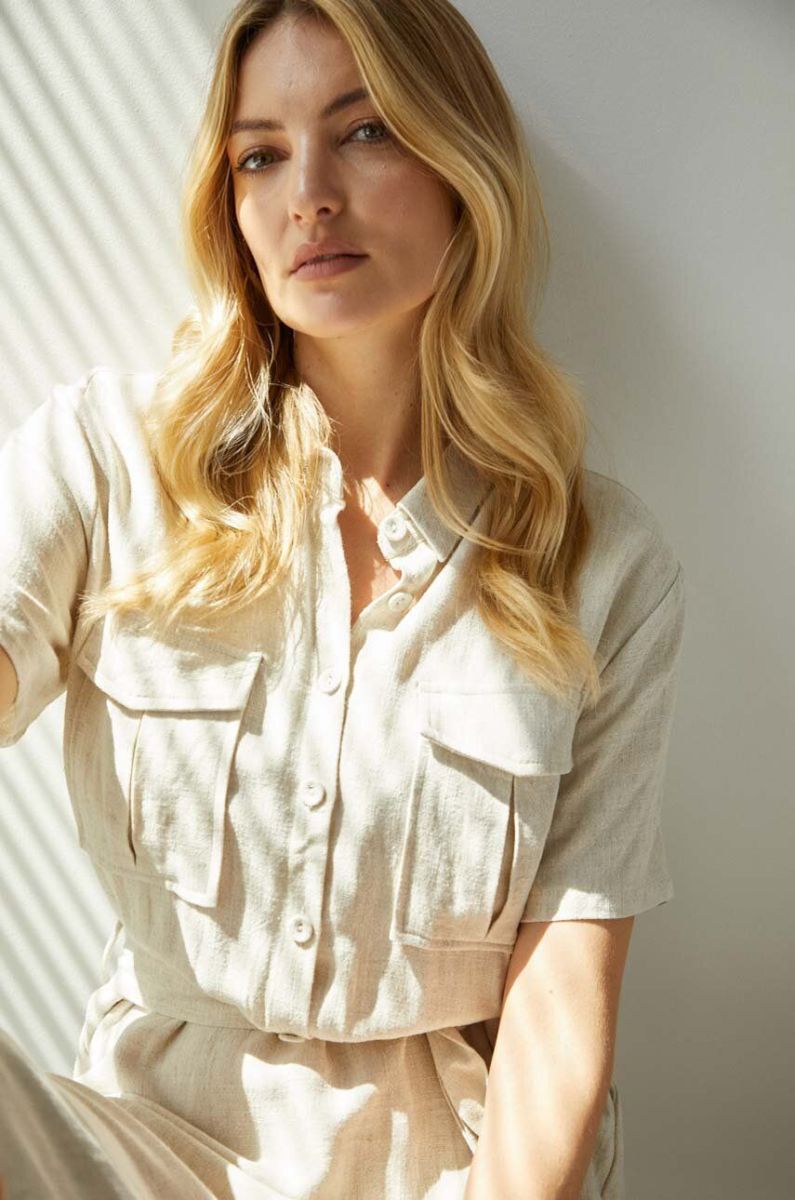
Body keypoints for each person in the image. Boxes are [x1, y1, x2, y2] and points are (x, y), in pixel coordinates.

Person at [0, 0, 686, 1197]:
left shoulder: (600, 562)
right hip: (139, 1156)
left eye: (365, 132)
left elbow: (563, 1003)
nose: (308, 195)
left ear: (461, 165)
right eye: (260, 156)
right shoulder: (108, 463)